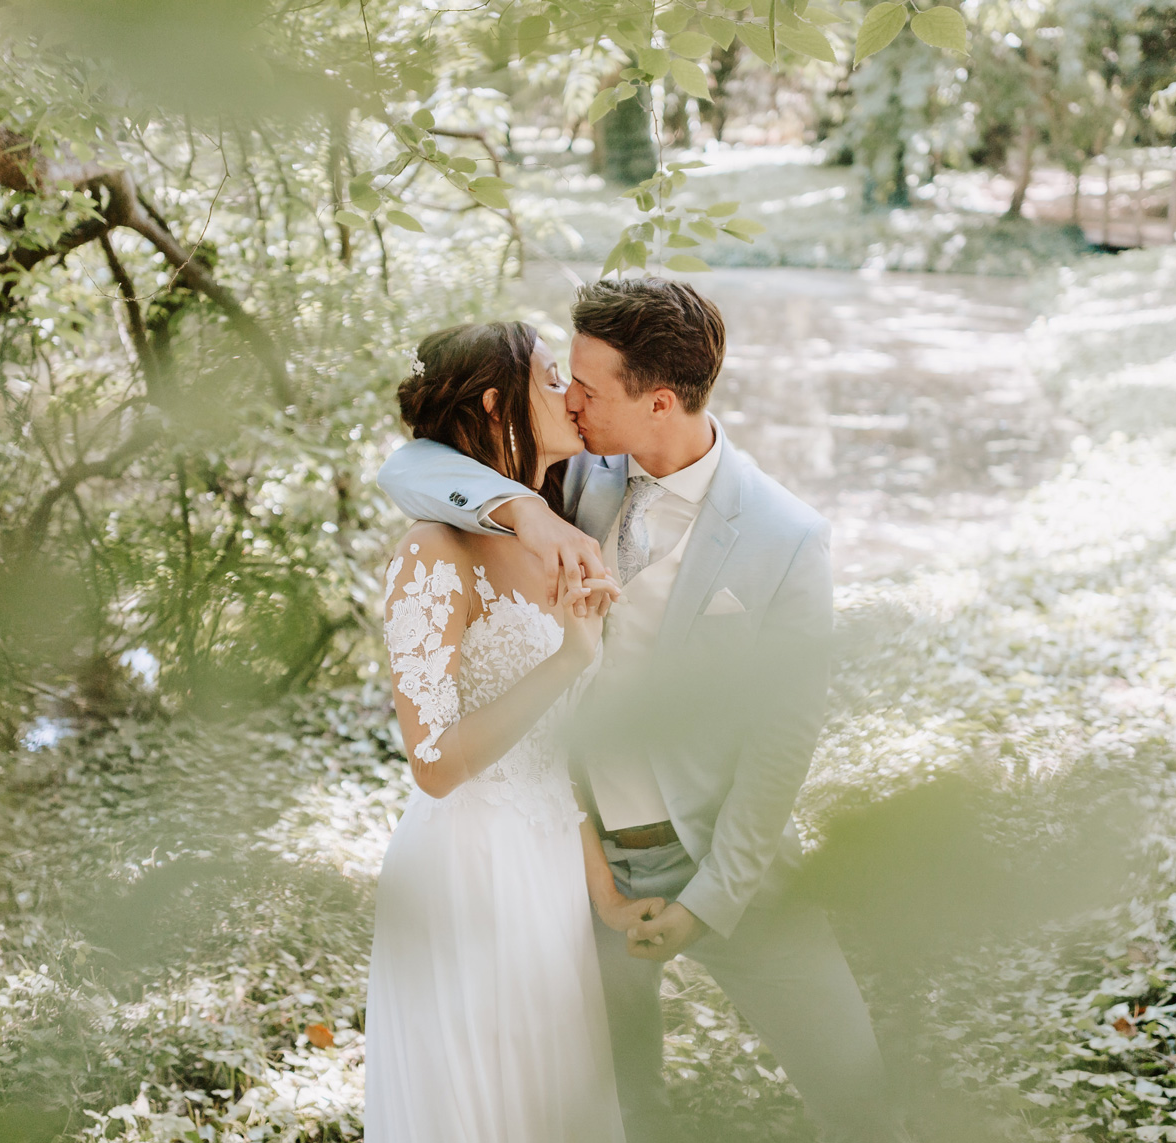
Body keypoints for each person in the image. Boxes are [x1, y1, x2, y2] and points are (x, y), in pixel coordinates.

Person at [375, 279, 895, 1143]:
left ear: (658, 400)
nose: (571, 401)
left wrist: (712, 897)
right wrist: (525, 512)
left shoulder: (786, 536)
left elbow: (783, 739)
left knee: (853, 1085)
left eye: (587, 386)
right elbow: (414, 463)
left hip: (725, 856)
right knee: (611, 1102)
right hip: (571, 863)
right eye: (562, 380)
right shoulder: (570, 472)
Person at [365, 320, 665, 1143]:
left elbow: (553, 752)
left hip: (548, 878)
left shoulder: (562, 540)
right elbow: (433, 763)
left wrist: (603, 891)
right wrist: (570, 657)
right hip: (465, 873)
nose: (572, 392)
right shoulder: (432, 552)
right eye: (551, 376)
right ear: (498, 401)